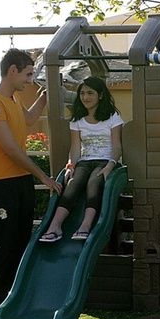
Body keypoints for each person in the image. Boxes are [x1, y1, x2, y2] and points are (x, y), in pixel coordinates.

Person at [0, 49, 62, 319]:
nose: (31, 80)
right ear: (12, 71)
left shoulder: (12, 99)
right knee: (4, 241)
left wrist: (45, 96)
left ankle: (4, 303)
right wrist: (42, 176)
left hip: (19, 181)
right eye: (28, 74)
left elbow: (29, 120)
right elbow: (10, 149)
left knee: (20, 241)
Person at [39, 76, 123, 243]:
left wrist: (110, 165)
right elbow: (76, 148)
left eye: (90, 93)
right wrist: (70, 165)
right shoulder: (77, 120)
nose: (85, 97)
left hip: (105, 161)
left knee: (94, 183)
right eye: (82, 93)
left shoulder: (112, 117)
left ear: (100, 95)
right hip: (85, 161)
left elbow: (117, 147)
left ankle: (85, 226)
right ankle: (55, 226)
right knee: (72, 184)